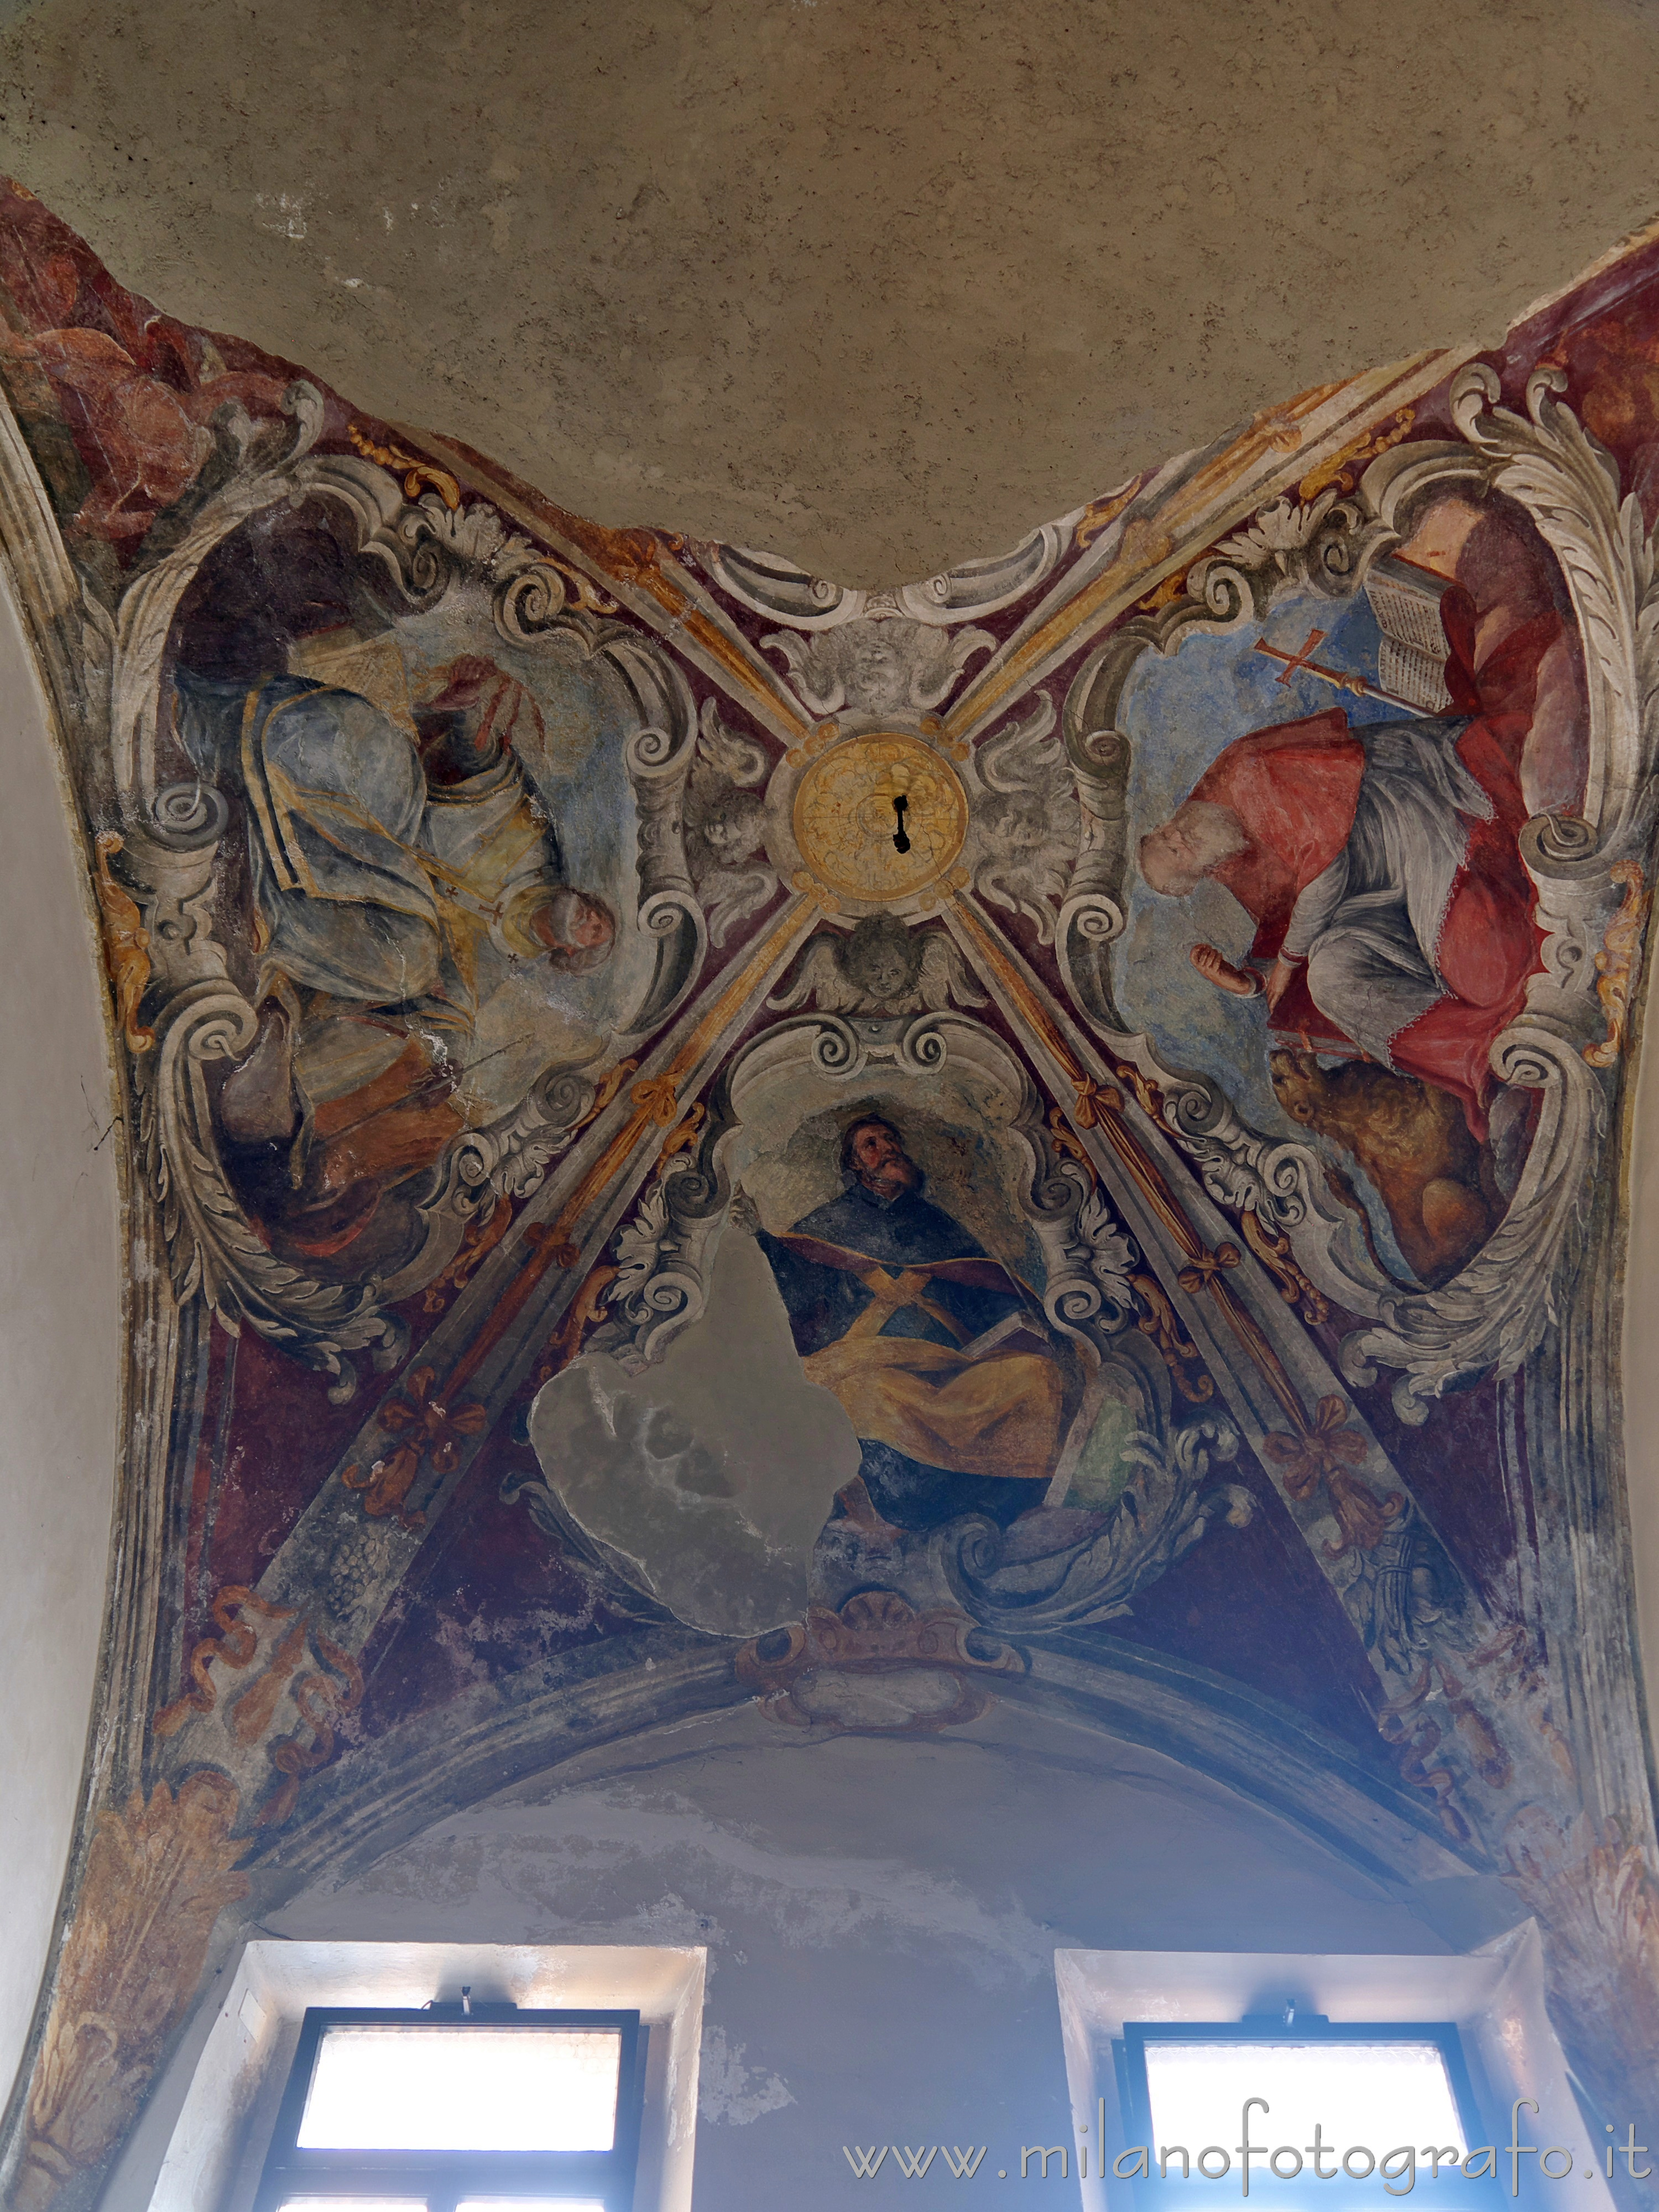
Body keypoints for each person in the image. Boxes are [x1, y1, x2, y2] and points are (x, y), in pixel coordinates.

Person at [190, 641, 615, 1256]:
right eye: (601, 918)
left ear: (565, 956)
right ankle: (224, 727)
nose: (596, 924)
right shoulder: (534, 846)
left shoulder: (500, 962)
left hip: (373, 909)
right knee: (379, 752)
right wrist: (468, 714)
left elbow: (452, 1014)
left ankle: (270, 955)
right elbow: (481, 774)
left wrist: (445, 1064)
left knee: (409, 961)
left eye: (594, 938)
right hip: (390, 817)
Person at [1138, 587, 1554, 1141]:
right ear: (1198, 877)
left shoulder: (1245, 771)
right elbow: (1287, 929)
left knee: (1490, 965)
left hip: (1410, 812)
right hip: (1374, 898)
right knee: (1334, 977)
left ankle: (1499, 1011)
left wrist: (1285, 962)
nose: (1180, 839)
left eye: (1168, 835)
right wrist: (1249, 980)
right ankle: (1482, 1059)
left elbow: (1325, 874)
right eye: (1178, 858)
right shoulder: (1227, 855)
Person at [756, 1114, 1065, 1530]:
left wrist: (1023, 1326)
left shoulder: (936, 1223)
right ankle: (896, 1509)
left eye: (889, 1139)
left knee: (1035, 1375)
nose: (886, 1149)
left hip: (950, 1363)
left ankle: (1002, 1501)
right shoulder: (827, 1226)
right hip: (866, 1359)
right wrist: (759, 1246)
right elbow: (791, 1293)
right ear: (854, 1165)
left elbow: (986, 1291)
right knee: (870, 1395)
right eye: (871, 1145)